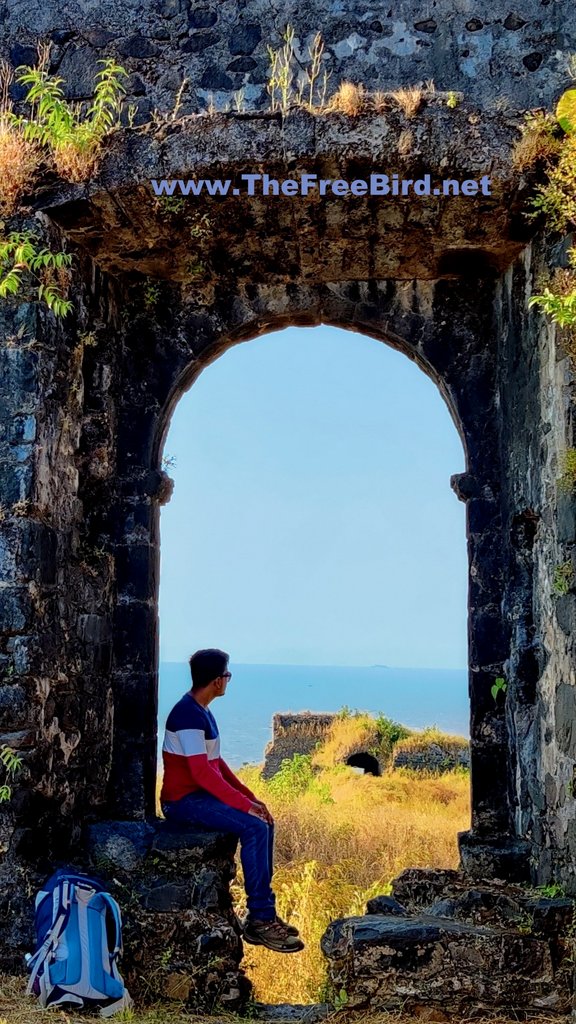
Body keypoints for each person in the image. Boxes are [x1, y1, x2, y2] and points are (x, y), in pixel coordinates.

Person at [160, 648, 304, 954]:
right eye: (227, 675)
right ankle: (261, 920)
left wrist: (251, 799)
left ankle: (263, 913)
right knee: (253, 827)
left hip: (198, 796)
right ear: (216, 681)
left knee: (263, 820)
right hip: (183, 802)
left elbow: (217, 765)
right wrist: (243, 805)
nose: (228, 680)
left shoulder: (201, 711)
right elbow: (201, 773)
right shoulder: (187, 715)